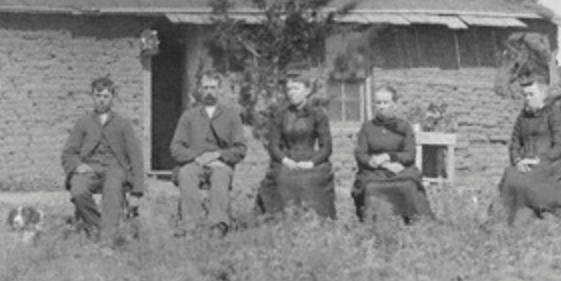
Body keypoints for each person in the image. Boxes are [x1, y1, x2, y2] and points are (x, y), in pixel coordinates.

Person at [61, 76, 146, 244]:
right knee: (77, 190)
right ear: (93, 97)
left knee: (113, 189)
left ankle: (107, 241)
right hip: (90, 168)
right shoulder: (83, 122)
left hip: (115, 168)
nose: (101, 100)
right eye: (98, 96)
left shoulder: (123, 124)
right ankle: (100, 227)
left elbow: (135, 156)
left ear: (112, 97)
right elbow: (68, 152)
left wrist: (137, 191)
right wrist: (78, 166)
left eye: (106, 96)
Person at [169, 71, 248, 236]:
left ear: (219, 90)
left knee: (220, 175)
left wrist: (218, 155)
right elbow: (176, 148)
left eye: (213, 87)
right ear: (199, 90)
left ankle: (218, 226)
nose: (209, 92)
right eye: (205, 88)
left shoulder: (231, 115)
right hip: (194, 163)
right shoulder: (189, 116)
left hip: (220, 163)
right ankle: (192, 226)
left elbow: (240, 149)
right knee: (185, 174)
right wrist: (196, 157)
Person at [498, 73, 561, 225]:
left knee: (528, 181)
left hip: (549, 165)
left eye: (531, 94)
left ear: (542, 95)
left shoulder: (553, 113)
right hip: (525, 164)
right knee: (510, 174)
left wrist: (538, 160)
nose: (527, 98)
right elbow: (514, 144)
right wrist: (517, 161)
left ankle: (539, 213)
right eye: (525, 95)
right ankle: (508, 217)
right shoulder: (522, 117)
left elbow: (559, 146)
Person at [254, 73, 337, 219]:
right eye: (289, 89)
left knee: (311, 181)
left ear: (307, 90)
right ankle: (282, 220)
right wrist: (286, 161)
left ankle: (315, 221)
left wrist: (311, 163)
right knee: (282, 179)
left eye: (296, 88)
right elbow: (273, 146)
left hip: (311, 161)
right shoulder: (280, 114)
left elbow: (326, 148)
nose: (291, 93)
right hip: (287, 160)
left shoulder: (318, 114)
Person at [352, 85, 434, 223]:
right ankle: (375, 225)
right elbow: (361, 154)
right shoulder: (367, 127)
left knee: (408, 185)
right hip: (375, 171)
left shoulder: (404, 127)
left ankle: (416, 223)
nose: (381, 106)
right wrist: (382, 164)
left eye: (386, 102)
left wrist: (389, 157)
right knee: (372, 187)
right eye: (378, 102)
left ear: (394, 104)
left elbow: (409, 154)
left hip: (400, 170)